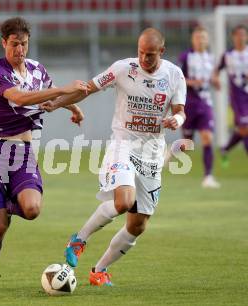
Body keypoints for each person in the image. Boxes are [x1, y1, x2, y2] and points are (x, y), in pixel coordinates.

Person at [42, 28, 186, 286]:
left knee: (138, 225)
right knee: (123, 201)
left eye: (150, 55)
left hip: (152, 154)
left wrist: (176, 119)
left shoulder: (174, 75)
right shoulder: (122, 69)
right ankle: (79, 239)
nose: (144, 59)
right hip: (123, 144)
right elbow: (87, 89)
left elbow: (180, 110)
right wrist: (58, 103)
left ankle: (99, 270)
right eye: (141, 52)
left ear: (161, 52)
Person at [0, 17, 87, 290]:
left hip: (24, 152)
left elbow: (48, 98)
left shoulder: (37, 70)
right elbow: (21, 98)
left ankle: (8, 204)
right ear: (4, 43)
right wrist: (63, 90)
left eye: (24, 44)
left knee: (33, 209)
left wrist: (72, 107)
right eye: (14, 44)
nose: (19, 50)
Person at [178, 26, 220, 188]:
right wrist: (191, 82)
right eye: (198, 37)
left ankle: (208, 177)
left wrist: (215, 82)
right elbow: (178, 78)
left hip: (205, 102)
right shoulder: (186, 56)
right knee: (187, 144)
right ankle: (170, 153)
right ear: (192, 40)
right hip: (189, 102)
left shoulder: (211, 58)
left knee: (207, 137)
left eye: (203, 37)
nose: (201, 40)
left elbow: (213, 77)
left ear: (207, 40)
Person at [214, 24, 248, 163]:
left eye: (243, 34)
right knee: (245, 128)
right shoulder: (228, 55)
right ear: (233, 37)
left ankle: (226, 148)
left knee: (242, 129)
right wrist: (215, 78)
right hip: (237, 98)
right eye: (238, 34)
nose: (241, 37)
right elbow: (216, 70)